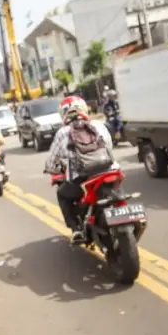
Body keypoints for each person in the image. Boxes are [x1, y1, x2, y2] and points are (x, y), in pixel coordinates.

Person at [44, 97, 115, 243]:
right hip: (110, 169)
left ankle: (76, 229)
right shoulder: (98, 124)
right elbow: (109, 145)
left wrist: (50, 168)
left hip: (82, 177)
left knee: (62, 194)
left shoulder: (63, 132)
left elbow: (52, 159)